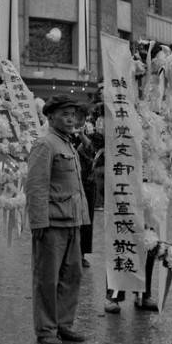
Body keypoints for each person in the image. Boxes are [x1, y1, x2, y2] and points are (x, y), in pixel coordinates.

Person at [26, 94, 90, 344]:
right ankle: (46, 330)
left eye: (73, 115)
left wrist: (82, 217)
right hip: (52, 224)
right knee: (47, 279)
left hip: (72, 221)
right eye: (65, 114)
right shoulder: (46, 145)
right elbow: (36, 186)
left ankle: (64, 324)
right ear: (51, 116)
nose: (71, 119)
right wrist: (39, 222)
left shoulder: (68, 144)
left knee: (72, 275)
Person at [71, 104, 98, 268]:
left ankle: (81, 254)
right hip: (69, 182)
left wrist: (82, 136)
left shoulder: (92, 133)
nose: (77, 120)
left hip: (87, 182)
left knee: (86, 220)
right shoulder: (64, 132)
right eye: (75, 117)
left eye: (81, 118)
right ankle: (68, 253)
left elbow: (94, 151)